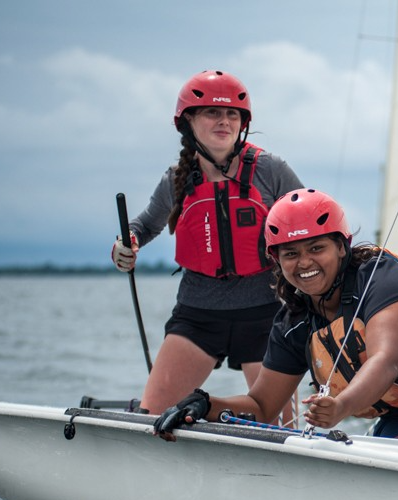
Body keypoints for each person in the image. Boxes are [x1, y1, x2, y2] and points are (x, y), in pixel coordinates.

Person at [153, 189, 398, 454]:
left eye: (317, 248)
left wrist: (341, 406)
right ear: (275, 260)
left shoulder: (383, 277)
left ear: (342, 247)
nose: (305, 263)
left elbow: (385, 360)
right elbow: (262, 406)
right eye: (290, 254)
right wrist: (204, 403)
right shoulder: (293, 324)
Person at [110, 70, 303, 415]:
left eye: (232, 114)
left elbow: (309, 220)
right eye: (212, 112)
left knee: (283, 428)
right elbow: (143, 226)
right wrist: (126, 243)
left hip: (266, 314)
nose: (224, 121)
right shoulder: (176, 180)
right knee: (152, 416)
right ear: (188, 122)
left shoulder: (271, 170)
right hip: (198, 315)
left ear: (243, 123)